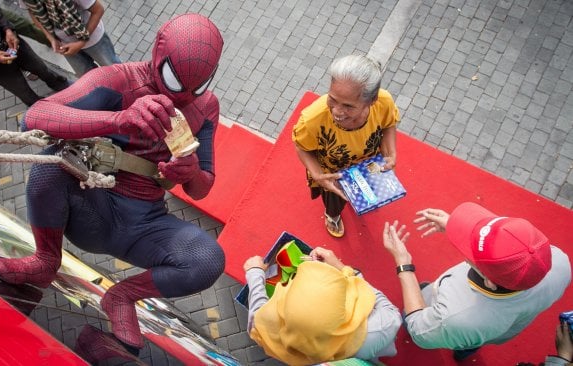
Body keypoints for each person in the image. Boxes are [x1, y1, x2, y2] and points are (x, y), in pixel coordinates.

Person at [0, 13, 225, 349]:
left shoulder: (206, 107)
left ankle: (123, 298)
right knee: (51, 161)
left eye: (196, 87)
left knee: (208, 260)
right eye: (173, 81)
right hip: (92, 204)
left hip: (146, 223)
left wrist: (191, 174)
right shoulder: (118, 80)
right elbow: (35, 118)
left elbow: (203, 187)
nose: (181, 98)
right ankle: (45, 259)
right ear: (158, 54)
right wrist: (119, 119)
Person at [382, 202, 571, 361]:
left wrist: (404, 264)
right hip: (496, 329)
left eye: (472, 251)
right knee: (472, 341)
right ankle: (466, 350)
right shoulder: (559, 262)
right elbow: (509, 247)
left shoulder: (455, 318)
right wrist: (457, 227)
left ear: (489, 282)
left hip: (460, 325)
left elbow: (418, 330)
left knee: (410, 318)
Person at [292, 53, 400, 238]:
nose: (337, 111)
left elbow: (389, 124)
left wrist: (390, 153)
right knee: (335, 201)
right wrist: (318, 175)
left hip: (369, 166)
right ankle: (332, 215)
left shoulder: (384, 101)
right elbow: (302, 147)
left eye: (349, 106)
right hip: (335, 175)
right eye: (332, 99)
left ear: (371, 101)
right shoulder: (312, 120)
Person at [244, 247, 402, 364]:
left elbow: (257, 317)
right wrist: (344, 270)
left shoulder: (273, 333)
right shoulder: (379, 329)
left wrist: (255, 273)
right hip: (368, 348)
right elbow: (390, 310)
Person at [23, 0, 121, 77]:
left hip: (94, 40)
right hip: (65, 45)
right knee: (88, 78)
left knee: (115, 69)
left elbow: (98, 10)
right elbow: (32, 12)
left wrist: (81, 42)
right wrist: (51, 37)